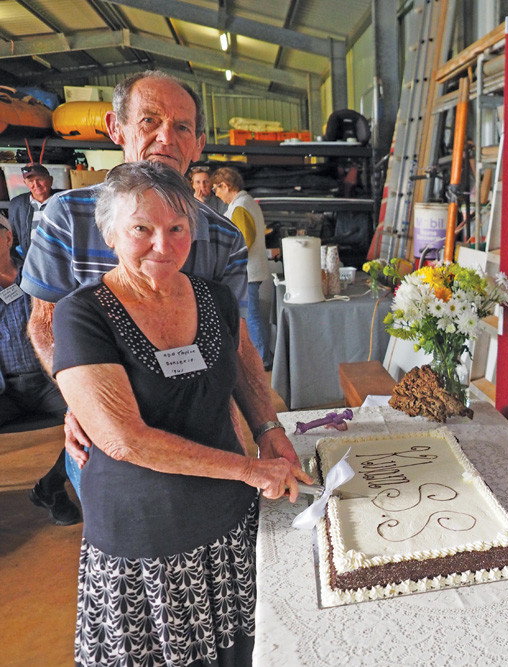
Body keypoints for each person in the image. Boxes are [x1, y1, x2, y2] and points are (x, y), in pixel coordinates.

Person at [53, 161, 301, 665]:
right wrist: (250, 469)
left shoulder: (212, 297)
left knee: (240, 651)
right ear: (111, 234)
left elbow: (243, 370)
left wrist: (269, 428)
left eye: (176, 228)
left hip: (229, 518)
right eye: (141, 229)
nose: (162, 245)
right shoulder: (83, 313)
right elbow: (125, 439)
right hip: (147, 536)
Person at [20, 70, 304, 485]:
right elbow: (44, 324)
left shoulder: (223, 236)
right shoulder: (65, 217)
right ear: (116, 128)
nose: (166, 137)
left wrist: (266, 427)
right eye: (150, 120)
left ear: (198, 143)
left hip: (208, 436)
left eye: (182, 126)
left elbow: (237, 341)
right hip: (111, 441)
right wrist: (84, 400)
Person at [0, 214, 77, 525]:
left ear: (7, 238)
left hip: (48, 381)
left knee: (95, 420)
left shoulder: (39, 271)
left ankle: (52, 486)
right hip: (6, 389)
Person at [211, 166, 271, 367]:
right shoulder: (246, 203)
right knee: (252, 316)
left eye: (216, 189)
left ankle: (262, 359)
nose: (217, 194)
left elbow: (244, 240)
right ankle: (262, 356)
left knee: (251, 317)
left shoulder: (240, 206)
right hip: (252, 270)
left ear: (225, 186)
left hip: (247, 271)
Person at [7, 162, 62, 259]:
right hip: (32, 266)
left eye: (40, 179)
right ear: (25, 183)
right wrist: (22, 268)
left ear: (50, 180)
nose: (36, 185)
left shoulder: (64, 200)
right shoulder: (17, 205)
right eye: (30, 181)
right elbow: (12, 241)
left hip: (62, 264)